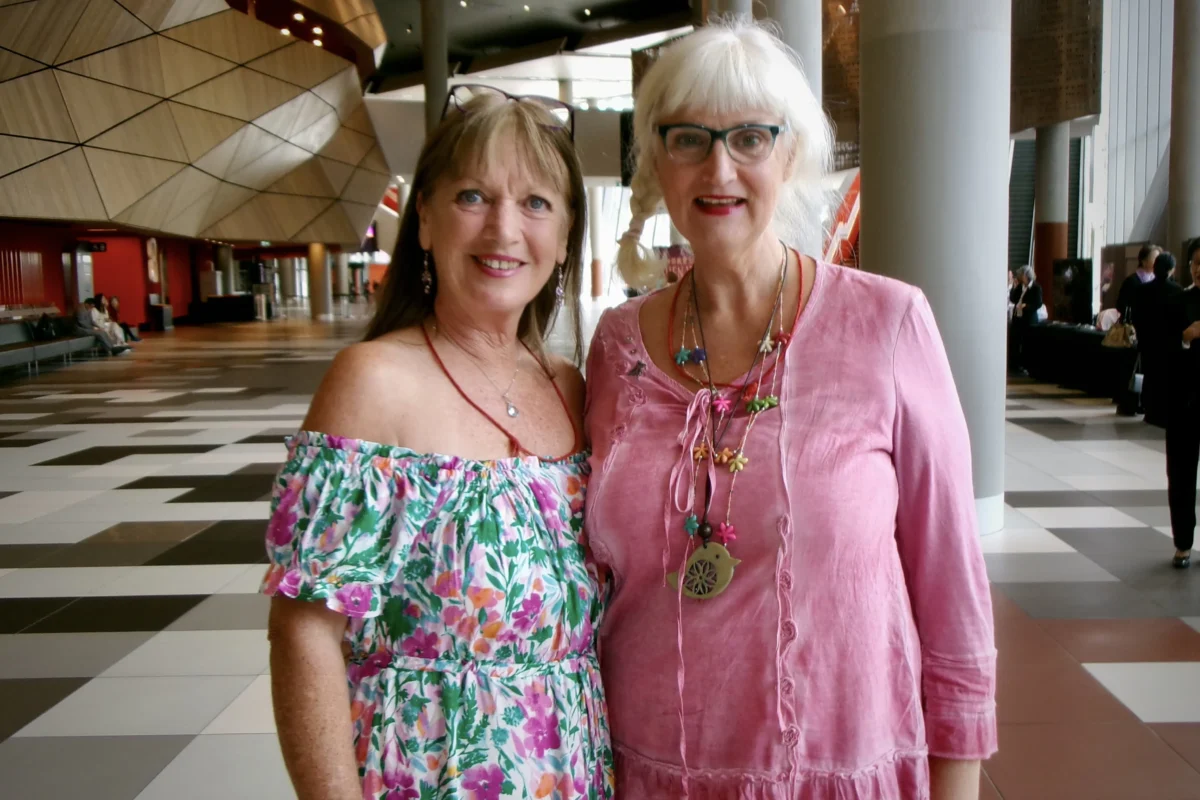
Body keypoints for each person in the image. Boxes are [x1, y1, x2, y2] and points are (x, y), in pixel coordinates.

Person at [584, 20, 995, 800]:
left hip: (833, 772)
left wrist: (958, 786)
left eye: (749, 137)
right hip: (642, 770)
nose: (719, 168)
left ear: (792, 153)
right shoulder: (615, 346)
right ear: (656, 159)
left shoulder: (888, 323)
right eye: (688, 138)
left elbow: (952, 595)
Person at [260, 86, 613, 799]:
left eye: (536, 203)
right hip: (424, 777)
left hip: (573, 774)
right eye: (473, 197)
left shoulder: (572, 389)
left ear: (567, 234)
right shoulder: (374, 384)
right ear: (422, 217)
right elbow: (304, 634)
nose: (504, 230)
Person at [1166, 239, 1200, 567]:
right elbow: (1162, 349)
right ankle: (1183, 542)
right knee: (1180, 474)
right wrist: (1185, 337)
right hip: (1184, 402)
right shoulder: (1178, 301)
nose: (1199, 269)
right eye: (1195, 263)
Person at [1132, 252, 1182, 428]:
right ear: (1172, 269)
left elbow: (1136, 316)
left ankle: (1149, 410)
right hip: (1169, 342)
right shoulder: (1177, 291)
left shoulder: (1142, 290)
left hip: (1147, 340)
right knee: (1166, 377)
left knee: (1150, 374)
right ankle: (1163, 411)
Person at [1009, 264, 1043, 375]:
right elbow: (1013, 299)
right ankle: (1015, 365)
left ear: (1026, 276)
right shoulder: (1020, 287)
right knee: (1015, 341)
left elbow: (1038, 303)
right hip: (1018, 318)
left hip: (1028, 320)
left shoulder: (1036, 288)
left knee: (1027, 343)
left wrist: (1026, 306)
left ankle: (1026, 366)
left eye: (1021, 275)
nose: (1019, 277)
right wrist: (1013, 288)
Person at [1116, 243, 1162, 321]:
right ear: (1144, 261)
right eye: (1155, 259)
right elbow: (1121, 305)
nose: (1158, 262)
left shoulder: (1159, 280)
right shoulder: (1131, 281)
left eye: (1159, 259)